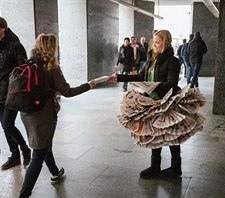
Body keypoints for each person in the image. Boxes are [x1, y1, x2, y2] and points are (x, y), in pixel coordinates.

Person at [19, 33, 96, 198]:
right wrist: (88, 86)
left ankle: (54, 172)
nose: (58, 48)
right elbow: (67, 91)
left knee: (44, 145)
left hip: (26, 113)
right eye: (57, 45)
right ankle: (24, 194)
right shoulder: (51, 67)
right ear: (51, 47)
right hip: (43, 115)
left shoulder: (29, 62)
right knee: (38, 155)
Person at [111, 30, 182, 179]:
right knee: (155, 134)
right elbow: (139, 76)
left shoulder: (173, 61)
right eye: (154, 42)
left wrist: (151, 87)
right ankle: (155, 167)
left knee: (171, 135)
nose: (154, 45)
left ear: (166, 42)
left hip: (167, 102)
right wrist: (118, 78)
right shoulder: (151, 61)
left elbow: (172, 83)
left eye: (158, 42)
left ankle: (176, 168)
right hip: (152, 103)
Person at [0, 17, 31, 170]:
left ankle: (25, 149)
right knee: (5, 126)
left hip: (11, 92)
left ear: (2, 29)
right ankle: (15, 156)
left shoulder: (15, 44)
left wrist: (10, 83)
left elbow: (23, 70)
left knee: (7, 124)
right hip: (0, 92)